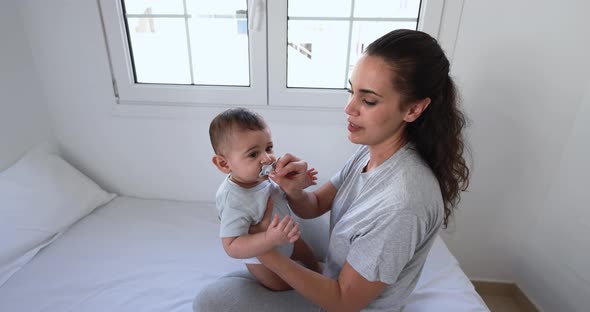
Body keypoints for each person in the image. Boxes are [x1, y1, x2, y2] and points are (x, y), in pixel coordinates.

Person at [196, 29, 470, 312]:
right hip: (339, 267)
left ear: (413, 110)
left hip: (341, 302)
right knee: (281, 215)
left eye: (369, 100)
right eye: (351, 91)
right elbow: (314, 205)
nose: (349, 108)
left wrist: (264, 247)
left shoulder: (404, 203)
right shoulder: (374, 149)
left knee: (211, 301)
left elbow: (344, 302)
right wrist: (293, 191)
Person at [208, 107, 320, 291]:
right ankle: (294, 293)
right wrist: (269, 238)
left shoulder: (266, 177)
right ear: (224, 163)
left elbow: (285, 196)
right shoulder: (233, 200)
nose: (267, 158)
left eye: (268, 147)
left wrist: (297, 186)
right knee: (279, 285)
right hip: (261, 256)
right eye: (253, 154)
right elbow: (231, 246)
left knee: (307, 253)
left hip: (286, 235)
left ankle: (318, 272)